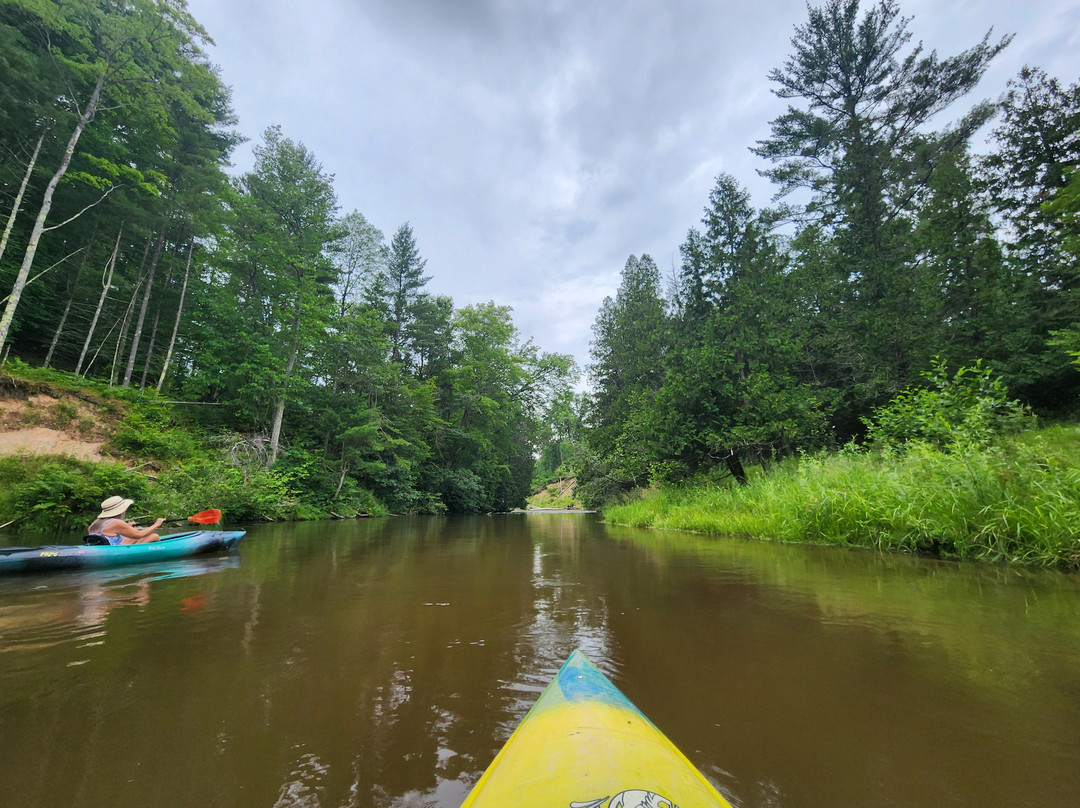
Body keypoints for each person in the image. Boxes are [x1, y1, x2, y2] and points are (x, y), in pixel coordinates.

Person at [86, 496, 164, 545]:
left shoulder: (95, 522)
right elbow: (140, 534)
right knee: (154, 536)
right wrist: (156, 524)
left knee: (132, 538)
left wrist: (127, 527)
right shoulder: (116, 522)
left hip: (102, 546)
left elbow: (110, 533)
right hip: (111, 550)